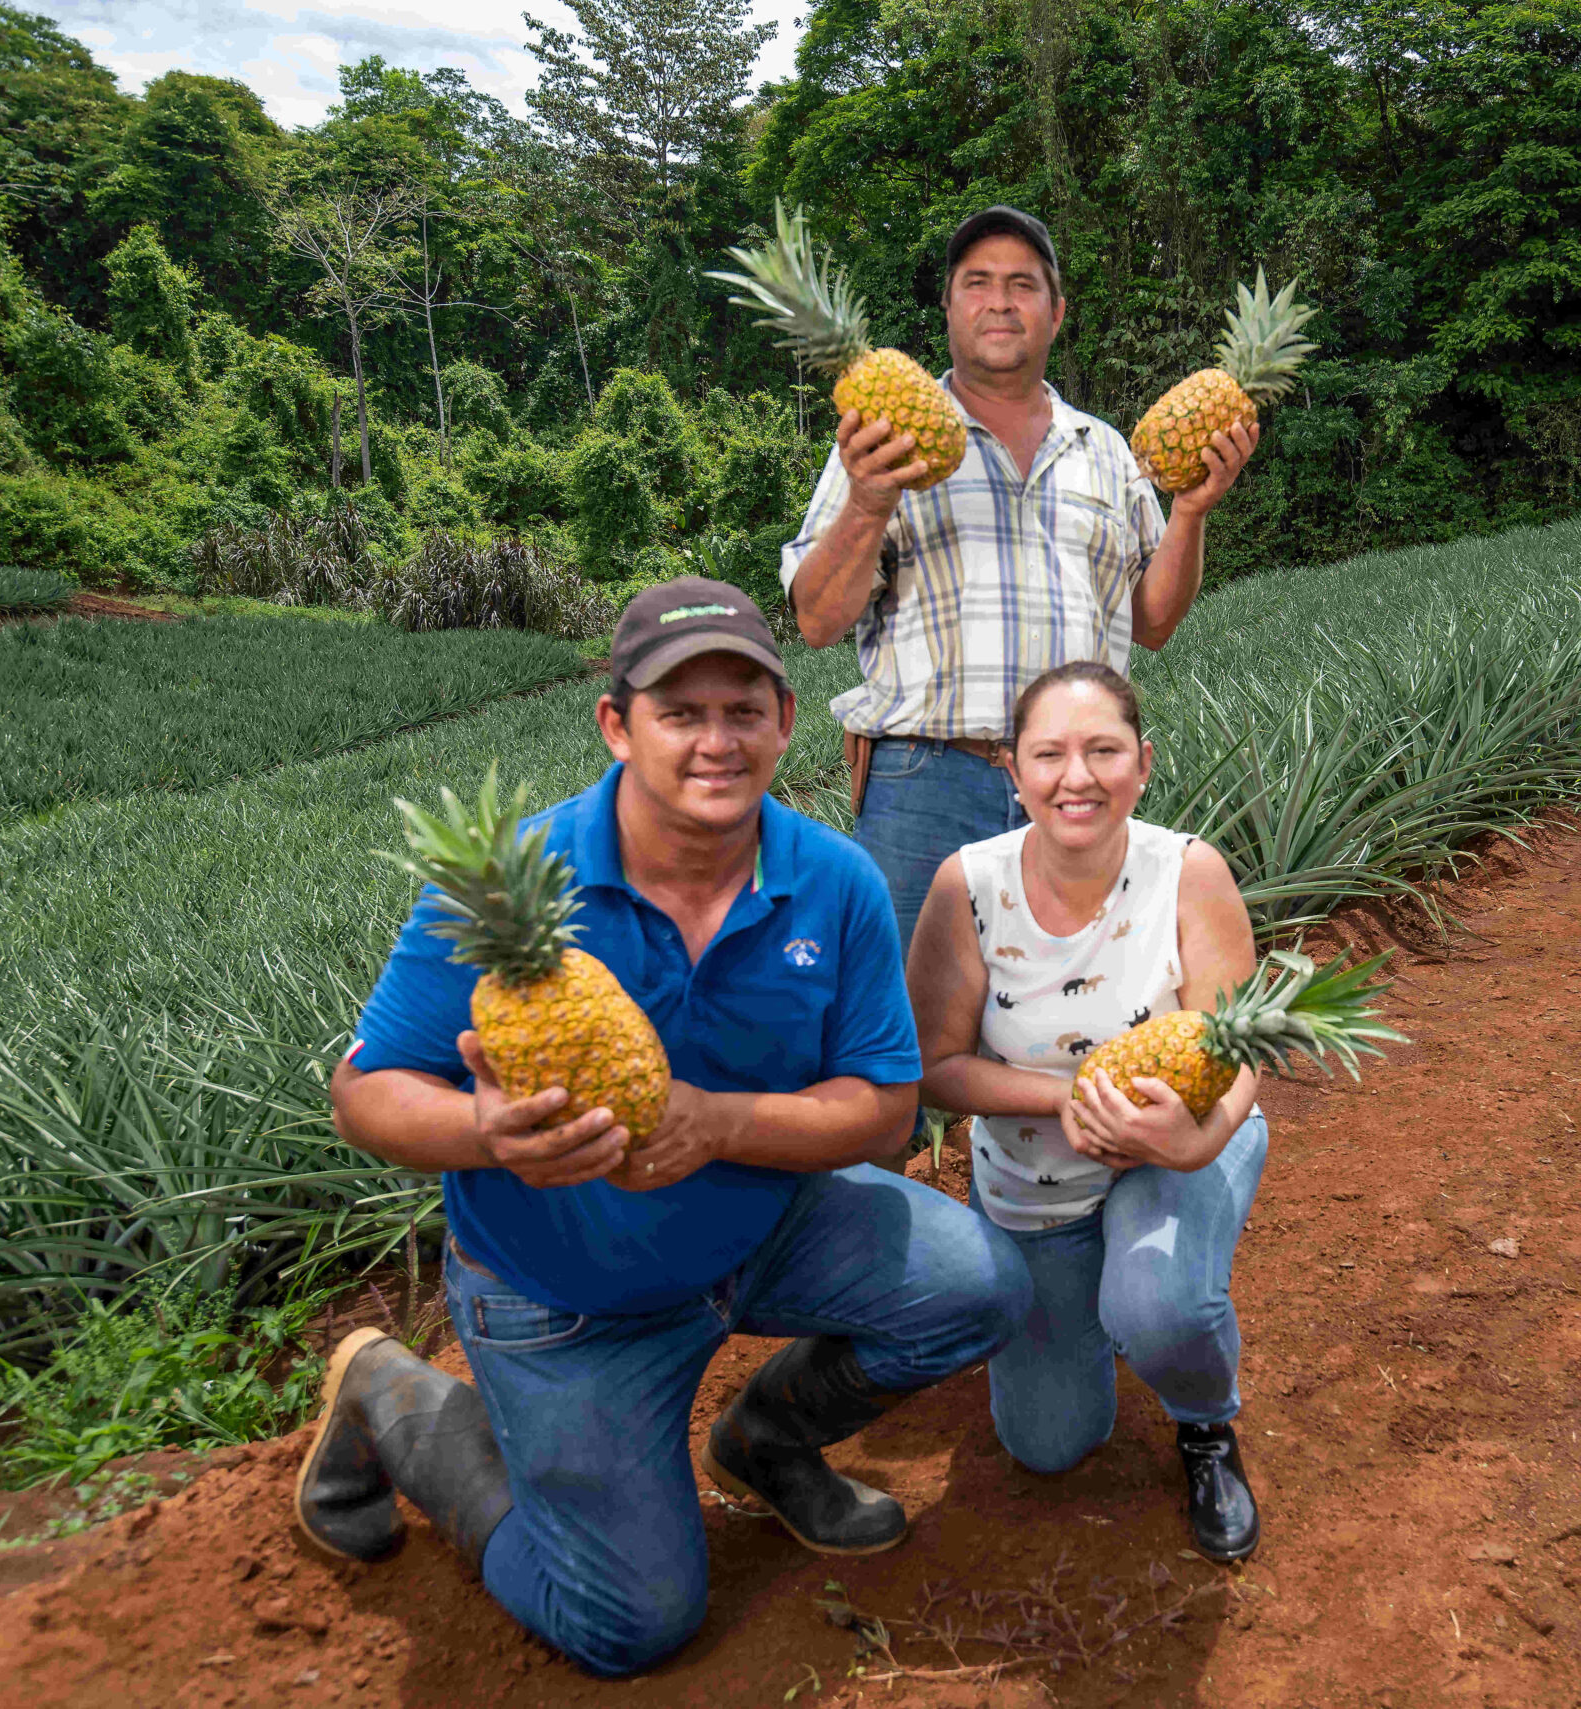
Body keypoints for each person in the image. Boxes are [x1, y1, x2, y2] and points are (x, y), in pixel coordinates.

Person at [296, 580, 1031, 1678]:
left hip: (762, 1234)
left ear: (788, 720)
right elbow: (366, 1092)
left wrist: (718, 1120)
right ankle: (393, 1396)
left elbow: (883, 1109)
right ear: (615, 724)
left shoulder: (832, 880)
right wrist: (488, 1130)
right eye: (679, 712)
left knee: (979, 1281)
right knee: (627, 1623)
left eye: (744, 709)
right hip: (565, 1299)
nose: (716, 740)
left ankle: (767, 1439)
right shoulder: (513, 882)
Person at [780, 205, 1259, 948]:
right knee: (908, 1027)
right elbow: (817, 620)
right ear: (947, 306)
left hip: (1080, 784)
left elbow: (1154, 622)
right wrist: (870, 499)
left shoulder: (1103, 449)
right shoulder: (885, 439)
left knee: (1077, 1014)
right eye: (976, 282)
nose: (999, 300)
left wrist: (1192, 511)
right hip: (927, 784)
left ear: (1057, 311)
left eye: (1022, 284)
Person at [904, 660, 1268, 1561]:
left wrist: (1200, 1139)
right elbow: (935, 1067)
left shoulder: (1189, 870)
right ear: (1013, 770)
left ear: (1142, 763)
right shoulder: (968, 885)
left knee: (1161, 1305)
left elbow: (1245, 1043)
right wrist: (1068, 1095)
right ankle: (1094, 1301)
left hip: (1169, 1152)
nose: (1079, 776)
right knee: (1048, 1443)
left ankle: (1203, 1422)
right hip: (1038, 1180)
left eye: (1104, 750)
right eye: (1051, 754)